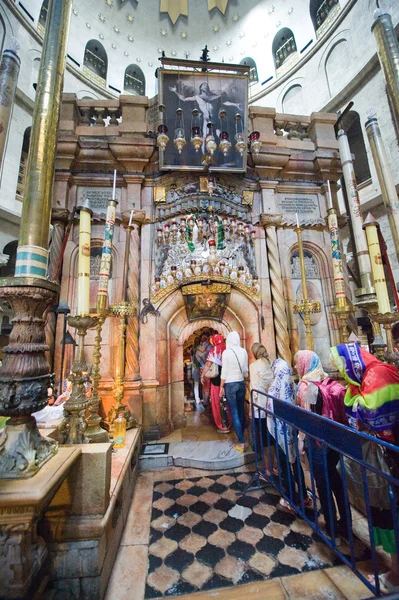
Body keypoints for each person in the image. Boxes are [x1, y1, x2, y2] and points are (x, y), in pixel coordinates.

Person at [331, 342, 399, 591]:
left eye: (342, 366)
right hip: (382, 456)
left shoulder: (378, 375)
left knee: (391, 512)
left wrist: (355, 401)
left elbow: (370, 414)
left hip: (387, 456)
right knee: (386, 512)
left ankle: (396, 576)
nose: (341, 371)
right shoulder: (366, 378)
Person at [296, 350, 350, 543]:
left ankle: (332, 526)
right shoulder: (327, 379)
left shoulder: (306, 387)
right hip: (334, 439)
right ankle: (346, 523)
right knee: (336, 480)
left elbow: (306, 417)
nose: (296, 367)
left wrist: (301, 439)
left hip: (317, 442)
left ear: (304, 364)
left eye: (298, 363)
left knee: (323, 483)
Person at [269, 358, 309, 512]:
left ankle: (290, 499)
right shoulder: (294, 385)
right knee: (295, 464)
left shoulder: (275, 387)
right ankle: (304, 496)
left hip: (280, 434)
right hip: (292, 431)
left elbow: (269, 406)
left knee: (285, 466)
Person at [220, 331, 248, 452]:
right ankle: (241, 437)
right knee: (241, 411)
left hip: (230, 384)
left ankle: (241, 443)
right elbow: (245, 370)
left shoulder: (226, 352)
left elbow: (224, 372)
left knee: (234, 412)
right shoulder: (243, 351)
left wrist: (221, 387)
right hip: (241, 383)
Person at [249, 343, 274, 468]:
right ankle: (275, 466)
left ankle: (268, 469)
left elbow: (254, 389)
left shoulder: (254, 366)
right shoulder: (271, 363)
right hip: (272, 406)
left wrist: (250, 408)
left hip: (260, 407)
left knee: (264, 441)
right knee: (272, 438)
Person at [203, 334, 231, 433]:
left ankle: (222, 425)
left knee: (217, 402)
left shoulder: (214, 350)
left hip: (217, 382)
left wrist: (203, 375)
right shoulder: (228, 349)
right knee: (227, 402)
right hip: (229, 381)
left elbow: (208, 364)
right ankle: (229, 423)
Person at [196, 334, 212, 405]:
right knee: (210, 385)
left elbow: (197, 358)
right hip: (211, 369)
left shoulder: (199, 348)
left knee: (204, 385)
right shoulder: (211, 347)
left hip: (202, 368)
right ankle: (209, 400)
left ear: (202, 340)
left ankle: (205, 401)